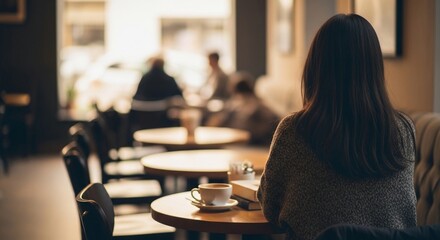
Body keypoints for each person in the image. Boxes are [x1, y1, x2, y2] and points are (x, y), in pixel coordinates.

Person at [257, 14, 416, 240]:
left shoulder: (294, 131)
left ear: (316, 67)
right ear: (375, 68)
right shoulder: (403, 130)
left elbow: (270, 208)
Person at [206, 71, 279, 146]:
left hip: (250, 143)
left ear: (235, 90)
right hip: (260, 142)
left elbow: (217, 121)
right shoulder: (261, 103)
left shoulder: (238, 104)